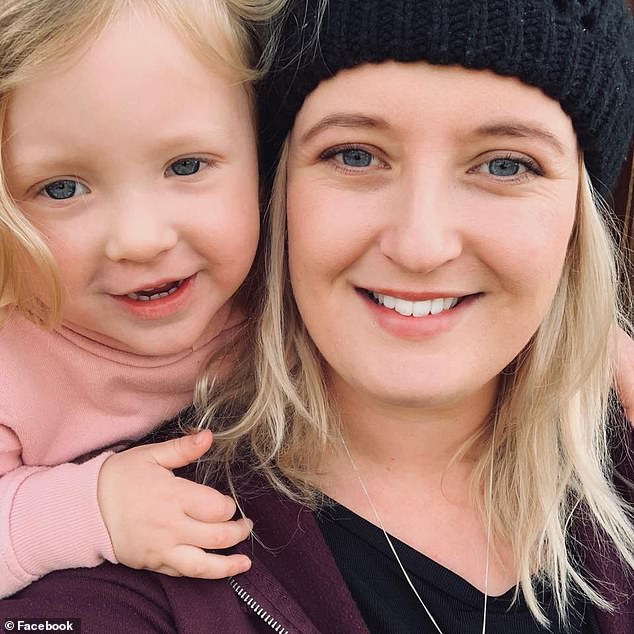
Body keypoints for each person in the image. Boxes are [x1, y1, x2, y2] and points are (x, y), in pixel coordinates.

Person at [1, 1, 633, 633]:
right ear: (279, 187)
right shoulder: (142, 551)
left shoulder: (617, 439)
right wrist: (79, 514)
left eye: (505, 165)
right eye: (355, 155)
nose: (419, 246)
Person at [0, 0, 286, 598]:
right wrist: (89, 508)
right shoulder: (12, 368)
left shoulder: (286, 288)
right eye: (61, 188)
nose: (140, 239)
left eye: (185, 166)